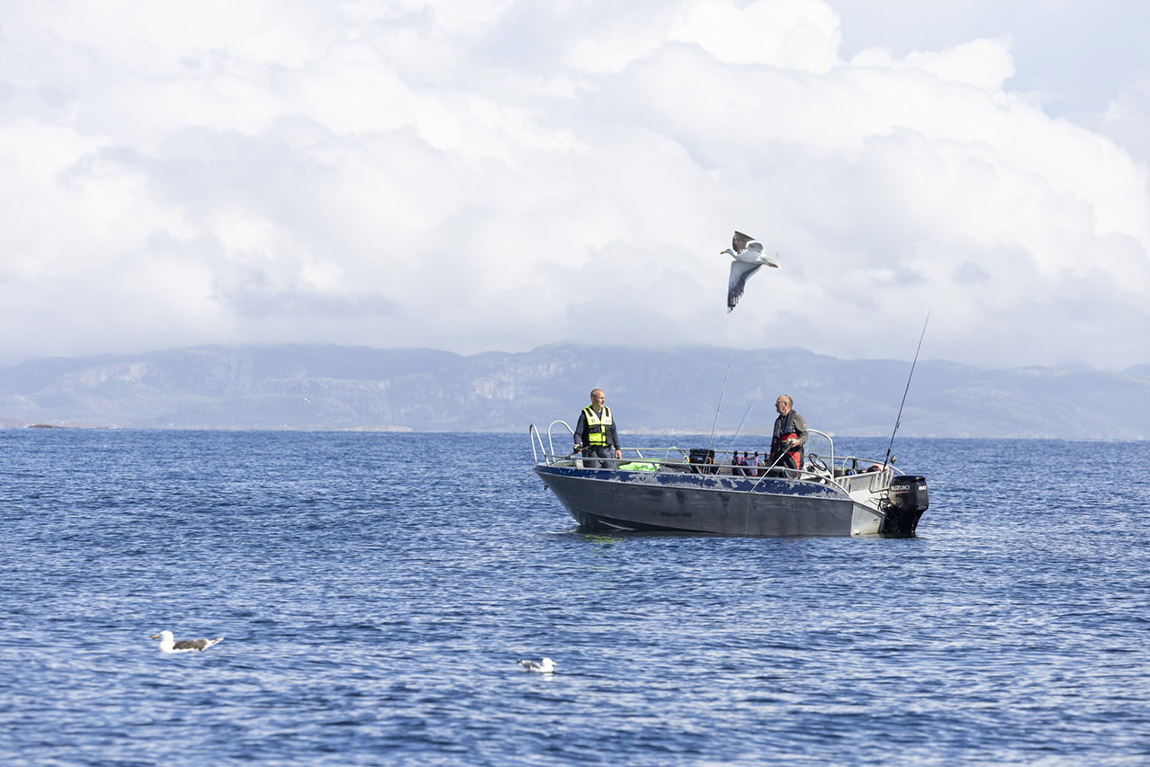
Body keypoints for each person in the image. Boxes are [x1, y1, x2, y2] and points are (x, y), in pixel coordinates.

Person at [574, 388, 622, 469]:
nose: (603, 400)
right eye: (600, 398)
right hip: (591, 452)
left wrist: (618, 448)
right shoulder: (585, 415)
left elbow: (613, 431)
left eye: (604, 398)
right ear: (593, 399)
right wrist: (577, 445)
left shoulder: (607, 413)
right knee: (594, 473)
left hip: (607, 451)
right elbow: (578, 434)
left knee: (612, 473)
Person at [769, 394, 808, 475]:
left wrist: (798, 441)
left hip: (791, 459)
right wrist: (770, 459)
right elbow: (774, 441)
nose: (775, 405)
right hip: (777, 458)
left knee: (792, 480)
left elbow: (805, 435)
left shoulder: (797, 418)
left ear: (785, 404)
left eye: (778, 402)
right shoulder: (778, 421)